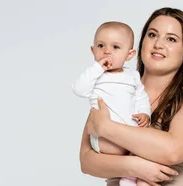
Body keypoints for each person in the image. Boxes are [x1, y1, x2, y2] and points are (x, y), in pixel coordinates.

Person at [79, 7, 183, 186]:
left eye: (171, 39)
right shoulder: (114, 88)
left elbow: (173, 151)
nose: (158, 44)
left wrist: (106, 127)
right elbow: (86, 161)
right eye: (152, 35)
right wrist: (135, 167)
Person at [72, 21, 152, 186]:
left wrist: (145, 113)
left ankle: (130, 178)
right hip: (104, 138)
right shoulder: (95, 76)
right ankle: (129, 173)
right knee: (130, 150)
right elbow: (79, 89)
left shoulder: (133, 76)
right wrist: (96, 68)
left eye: (115, 47)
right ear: (93, 51)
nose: (107, 51)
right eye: (101, 46)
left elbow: (141, 97)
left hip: (128, 132)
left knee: (146, 148)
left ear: (129, 55)